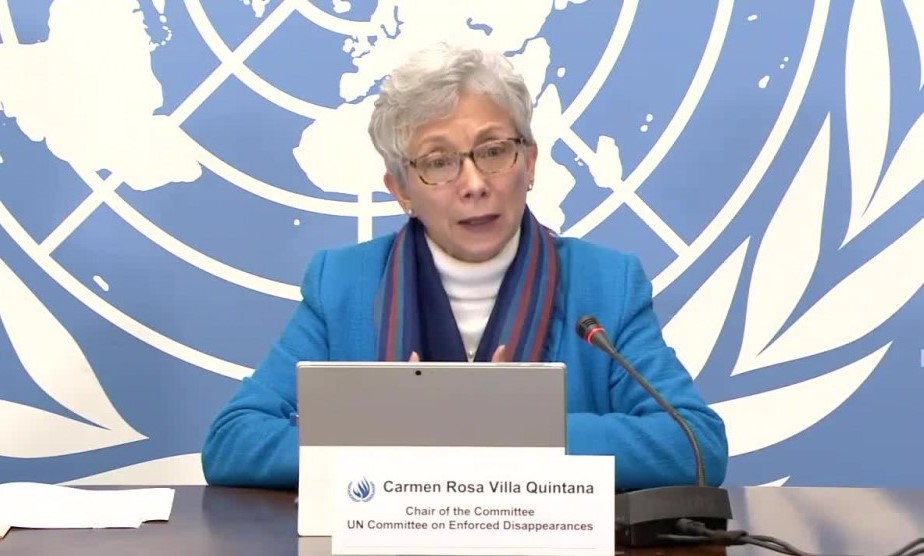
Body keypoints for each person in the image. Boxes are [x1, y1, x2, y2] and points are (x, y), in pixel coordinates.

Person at [201, 43, 728, 491]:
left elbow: (695, 445)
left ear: (529, 163)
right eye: (438, 162)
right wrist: (403, 437)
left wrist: (522, 431)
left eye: (493, 152)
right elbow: (233, 441)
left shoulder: (606, 285)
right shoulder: (342, 285)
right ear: (401, 190)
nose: (474, 184)